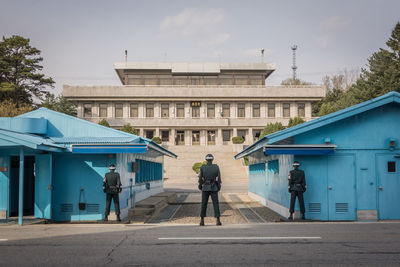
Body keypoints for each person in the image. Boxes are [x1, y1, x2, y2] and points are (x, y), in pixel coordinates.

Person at [198, 154, 222, 226]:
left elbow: (200, 178)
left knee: (204, 204)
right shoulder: (216, 167)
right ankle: (218, 220)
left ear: (206, 160)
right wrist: (218, 187)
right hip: (214, 187)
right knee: (216, 204)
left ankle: (202, 220)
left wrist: (200, 186)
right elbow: (219, 178)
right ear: (212, 159)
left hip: (205, 187)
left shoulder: (203, 167)